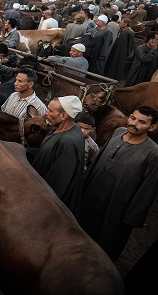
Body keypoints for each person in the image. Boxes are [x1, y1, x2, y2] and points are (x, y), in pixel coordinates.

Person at [78, 106, 158, 262]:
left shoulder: (153, 153)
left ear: (153, 126)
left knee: (100, 247)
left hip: (115, 208)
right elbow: (98, 160)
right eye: (133, 118)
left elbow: (148, 189)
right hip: (91, 195)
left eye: (142, 122)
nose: (134, 124)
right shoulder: (118, 132)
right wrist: (84, 183)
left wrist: (130, 219)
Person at [29, 96, 85, 216]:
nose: (46, 113)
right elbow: (45, 154)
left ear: (64, 116)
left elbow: (57, 182)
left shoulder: (68, 143)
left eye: (50, 110)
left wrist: (38, 204)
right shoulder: (59, 129)